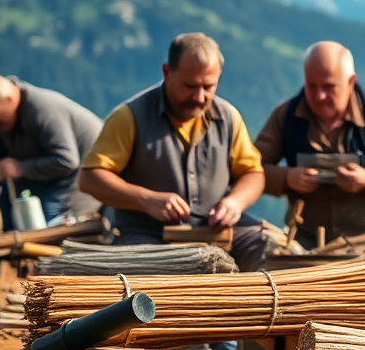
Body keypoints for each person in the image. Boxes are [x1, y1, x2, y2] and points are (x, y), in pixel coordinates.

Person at [77, 33, 268, 271]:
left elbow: (254, 174)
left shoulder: (229, 117)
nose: (200, 97)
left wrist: (235, 203)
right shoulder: (128, 117)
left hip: (216, 232)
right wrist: (147, 200)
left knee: (266, 246)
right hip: (149, 237)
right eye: (190, 86)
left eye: (208, 87)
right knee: (155, 269)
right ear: (167, 72)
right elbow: (90, 179)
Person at [254, 41, 365, 257]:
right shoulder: (285, 116)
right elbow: (251, 169)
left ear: (350, 82)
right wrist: (287, 178)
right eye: (312, 86)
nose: (319, 96)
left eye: (328, 87)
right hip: (306, 243)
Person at [0, 75, 103, 228]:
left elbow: (66, 161)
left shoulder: (44, 111)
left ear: (9, 100)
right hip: (43, 177)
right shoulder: (3, 115)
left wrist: (19, 168)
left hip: (76, 181)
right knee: (8, 216)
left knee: (45, 225)